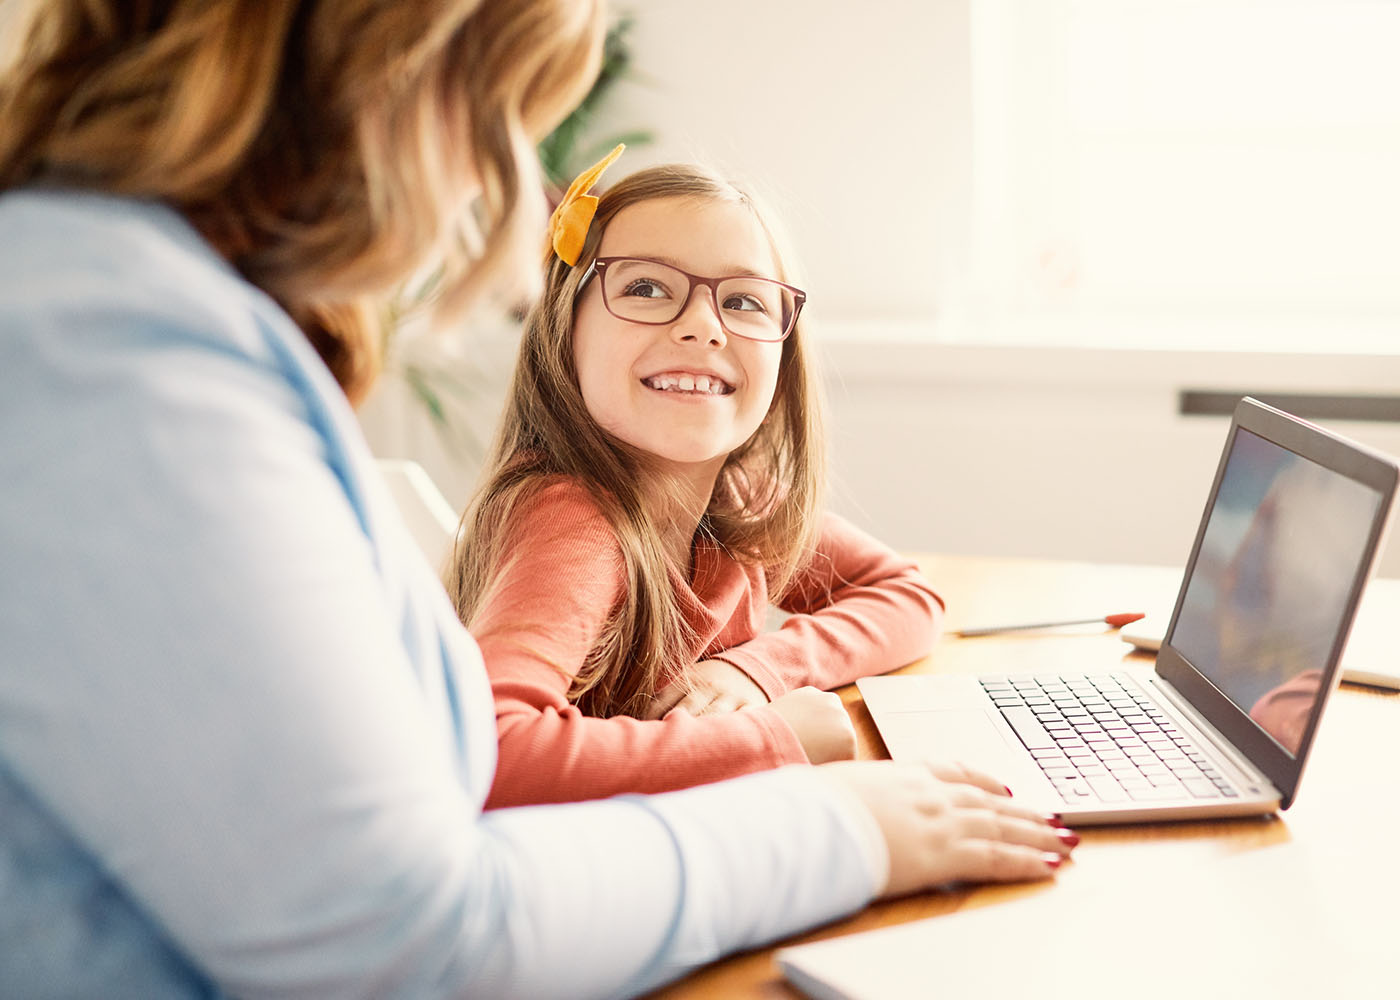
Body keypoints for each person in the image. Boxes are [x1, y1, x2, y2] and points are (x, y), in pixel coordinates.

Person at [0, 3, 1076, 998]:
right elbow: (401, 929)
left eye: (741, 303)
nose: (509, 191)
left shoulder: (144, 325)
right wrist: (831, 822)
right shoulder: (109, 351)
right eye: (500, 112)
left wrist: (756, 677)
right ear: (367, 67)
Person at [447, 154, 946, 808]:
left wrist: (759, 667)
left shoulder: (735, 498)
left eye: (743, 301)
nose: (702, 327)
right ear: (564, 329)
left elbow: (908, 596)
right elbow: (490, 752)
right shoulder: (572, 517)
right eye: (647, 288)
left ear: (784, 354)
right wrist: (770, 740)